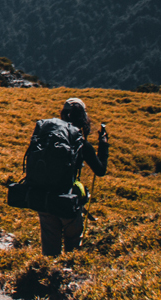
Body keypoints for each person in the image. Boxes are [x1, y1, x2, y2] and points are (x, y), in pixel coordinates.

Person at [37, 97, 109, 256]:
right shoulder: (81, 143)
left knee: (50, 251)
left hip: (44, 199)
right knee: (73, 249)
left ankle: (45, 276)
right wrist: (104, 145)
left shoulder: (48, 137)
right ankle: (68, 276)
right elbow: (100, 170)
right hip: (67, 201)